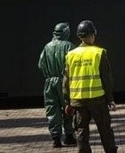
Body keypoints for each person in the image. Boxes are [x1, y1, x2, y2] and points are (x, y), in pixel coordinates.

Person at [63, 20, 117, 153]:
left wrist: (67, 102)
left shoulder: (71, 55)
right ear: (93, 34)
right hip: (97, 100)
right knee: (105, 130)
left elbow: (65, 81)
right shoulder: (99, 53)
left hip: (78, 101)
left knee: (81, 131)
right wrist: (110, 99)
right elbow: (107, 79)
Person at [39, 22, 76, 148]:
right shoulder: (69, 46)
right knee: (68, 107)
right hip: (64, 81)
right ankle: (69, 136)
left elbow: (41, 64)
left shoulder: (47, 47)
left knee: (52, 108)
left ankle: (56, 138)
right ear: (65, 32)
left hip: (49, 82)